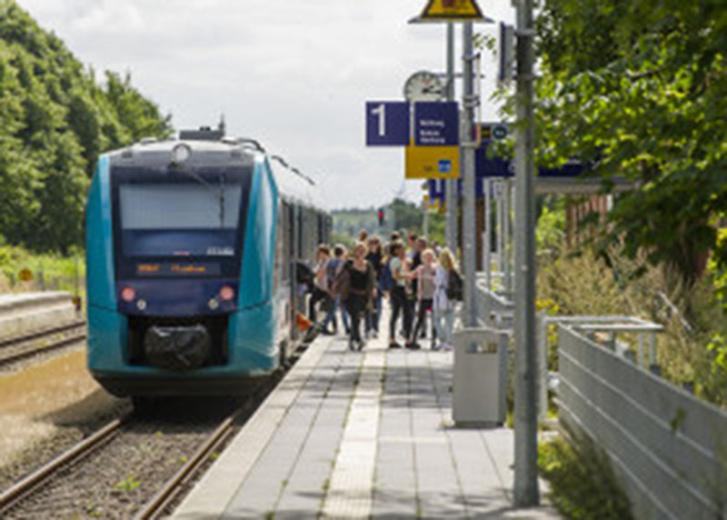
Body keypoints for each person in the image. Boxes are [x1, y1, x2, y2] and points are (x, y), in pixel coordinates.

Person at [336, 242, 375, 351]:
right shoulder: (348, 263)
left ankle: (353, 339)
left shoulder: (368, 265)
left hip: (363, 295)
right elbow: (339, 277)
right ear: (355, 251)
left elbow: (371, 280)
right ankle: (358, 339)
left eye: (363, 250)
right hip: (350, 295)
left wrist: (372, 292)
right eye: (359, 250)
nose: (361, 252)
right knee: (354, 317)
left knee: (357, 319)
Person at [408, 248, 437, 349]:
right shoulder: (420, 268)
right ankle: (413, 339)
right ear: (422, 258)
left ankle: (434, 341)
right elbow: (411, 275)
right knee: (420, 318)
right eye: (426, 257)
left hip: (433, 297)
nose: (428, 259)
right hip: (423, 297)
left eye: (430, 257)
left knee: (434, 319)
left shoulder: (435, 268)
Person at [388, 241, 414, 349]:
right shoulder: (395, 260)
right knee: (401, 312)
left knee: (403, 313)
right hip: (397, 289)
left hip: (403, 288)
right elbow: (395, 275)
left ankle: (405, 337)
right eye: (401, 248)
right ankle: (395, 339)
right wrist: (408, 276)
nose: (404, 250)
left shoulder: (402, 260)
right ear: (396, 250)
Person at [433, 248, 458, 351]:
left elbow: (438, 282)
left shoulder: (439, 268)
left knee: (437, 319)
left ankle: (443, 340)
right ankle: (450, 342)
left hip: (441, 296)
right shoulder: (454, 268)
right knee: (450, 321)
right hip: (452, 297)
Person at [321, 245, 349, 334]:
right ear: (342, 253)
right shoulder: (342, 262)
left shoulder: (330, 262)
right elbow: (338, 275)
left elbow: (327, 275)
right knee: (341, 308)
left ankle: (346, 327)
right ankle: (325, 325)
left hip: (331, 288)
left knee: (334, 308)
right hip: (339, 288)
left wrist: (329, 288)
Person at [365, 236, 384, 339]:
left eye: (375, 243)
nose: (374, 245)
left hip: (379, 284)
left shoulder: (381, 256)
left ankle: (375, 328)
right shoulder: (367, 256)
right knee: (368, 307)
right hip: (368, 284)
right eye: (371, 243)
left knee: (377, 308)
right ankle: (368, 328)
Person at [308, 245, 331, 324]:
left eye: (319, 253)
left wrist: (314, 275)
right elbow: (316, 271)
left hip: (327, 288)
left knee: (327, 307)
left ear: (324, 253)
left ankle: (327, 325)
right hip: (320, 287)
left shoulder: (328, 262)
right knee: (312, 301)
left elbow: (320, 273)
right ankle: (312, 320)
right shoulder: (321, 262)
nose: (318, 255)